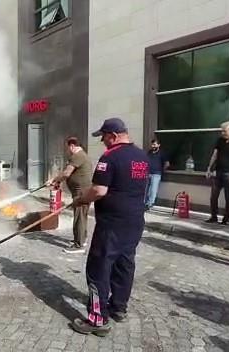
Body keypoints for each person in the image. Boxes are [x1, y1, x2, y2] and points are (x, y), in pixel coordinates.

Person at [70, 117, 149, 336]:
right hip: (134, 220)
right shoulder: (142, 156)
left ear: (114, 136)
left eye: (104, 136)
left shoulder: (110, 157)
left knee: (98, 268)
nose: (102, 141)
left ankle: (97, 319)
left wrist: (81, 200)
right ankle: (118, 308)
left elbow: (99, 190)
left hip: (112, 224)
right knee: (124, 264)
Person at [48, 137, 93, 254]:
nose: (68, 150)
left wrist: (54, 180)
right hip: (83, 190)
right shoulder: (82, 155)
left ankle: (79, 245)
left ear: (72, 146)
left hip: (81, 192)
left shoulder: (78, 156)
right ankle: (82, 239)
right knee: (82, 216)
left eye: (68, 148)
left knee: (79, 216)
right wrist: (58, 181)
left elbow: (67, 172)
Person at [205, 121, 229, 225]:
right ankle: (213, 216)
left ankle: (226, 218)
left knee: (228, 196)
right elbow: (215, 154)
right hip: (218, 171)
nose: (222, 133)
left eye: (224, 131)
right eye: (222, 131)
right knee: (213, 196)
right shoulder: (220, 141)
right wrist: (209, 168)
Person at [145, 139, 169, 209]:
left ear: (159, 145)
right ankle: (145, 203)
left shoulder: (162, 153)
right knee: (146, 189)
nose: (153, 146)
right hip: (148, 173)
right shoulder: (149, 152)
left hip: (156, 174)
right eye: (152, 144)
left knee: (153, 190)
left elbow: (167, 164)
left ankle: (150, 204)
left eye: (155, 144)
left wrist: (162, 170)